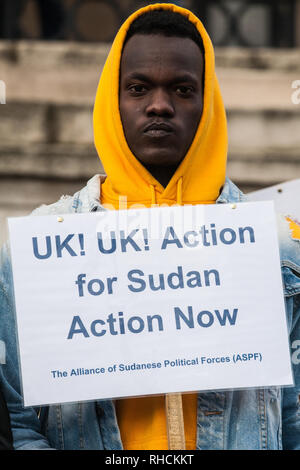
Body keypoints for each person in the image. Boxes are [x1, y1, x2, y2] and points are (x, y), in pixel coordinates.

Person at [0, 3, 300, 450]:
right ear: (111, 100)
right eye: (138, 88)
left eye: (182, 89)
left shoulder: (278, 248)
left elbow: (294, 420)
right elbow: (18, 421)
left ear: (208, 103)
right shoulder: (39, 248)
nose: (159, 105)